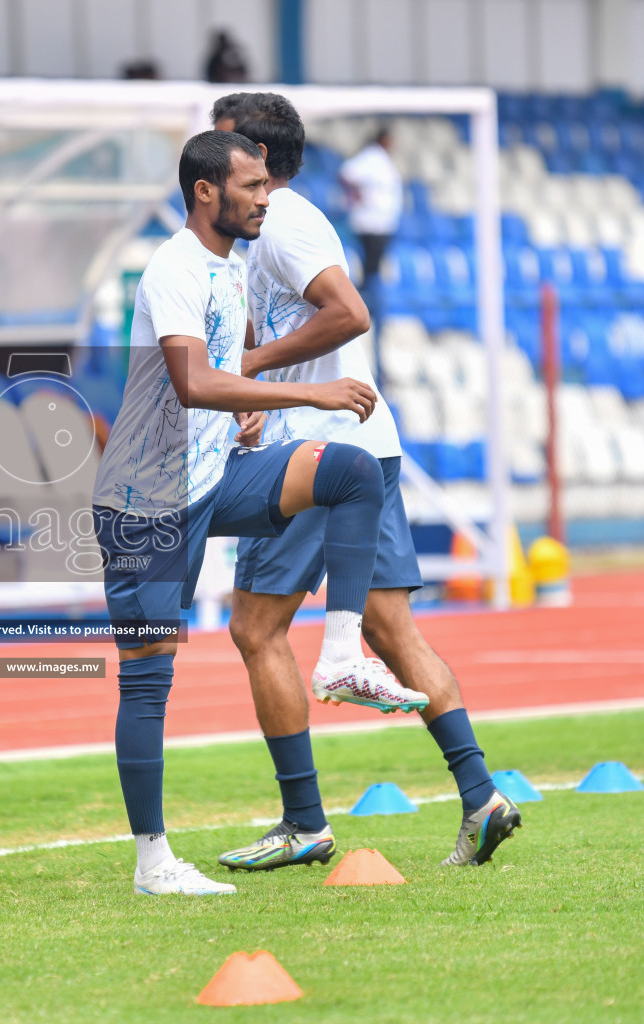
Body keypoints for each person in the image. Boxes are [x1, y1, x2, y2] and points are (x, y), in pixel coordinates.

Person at [90, 129, 424, 898]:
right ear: (206, 192)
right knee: (147, 682)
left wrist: (243, 420)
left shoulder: (232, 266)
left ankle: (341, 653)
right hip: (148, 506)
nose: (266, 197)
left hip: (214, 481)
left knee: (348, 468)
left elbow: (223, 379)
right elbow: (194, 383)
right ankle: (153, 864)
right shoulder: (172, 267)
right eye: (252, 186)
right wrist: (307, 392)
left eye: (269, 185)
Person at [212, 93, 520, 871]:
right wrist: (254, 399)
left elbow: (348, 314)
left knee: (255, 628)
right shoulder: (268, 229)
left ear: (253, 157)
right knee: (391, 629)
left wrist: (250, 369)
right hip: (361, 448)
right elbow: (298, 328)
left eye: (218, 150)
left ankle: (303, 822)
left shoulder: (282, 222)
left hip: (319, 459)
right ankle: (482, 794)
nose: (205, 170)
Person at [338, 126, 402, 289]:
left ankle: (369, 300)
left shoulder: (383, 159)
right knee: (369, 267)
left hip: (382, 222)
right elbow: (346, 173)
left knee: (375, 267)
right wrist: (357, 194)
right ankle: (366, 301)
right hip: (370, 222)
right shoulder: (370, 157)